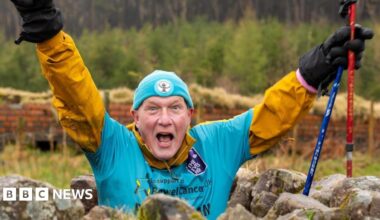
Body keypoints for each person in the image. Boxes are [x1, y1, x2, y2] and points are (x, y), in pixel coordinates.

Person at [9, 0, 373, 219]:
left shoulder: (215, 142)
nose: (164, 118)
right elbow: (77, 98)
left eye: (174, 108)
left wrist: (311, 73)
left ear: (190, 114)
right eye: (152, 109)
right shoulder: (111, 145)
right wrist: (48, 35)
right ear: (134, 118)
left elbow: (269, 117)